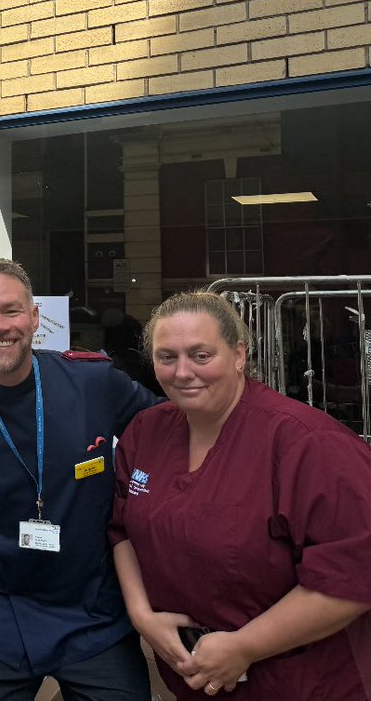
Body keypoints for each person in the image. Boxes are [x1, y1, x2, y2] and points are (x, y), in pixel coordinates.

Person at [0, 258, 159, 701]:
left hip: (92, 611)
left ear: (36, 317)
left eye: (12, 310)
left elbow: (169, 434)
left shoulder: (93, 382)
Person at [110, 291, 371, 700]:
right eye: (167, 357)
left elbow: (352, 575)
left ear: (238, 354)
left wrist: (245, 646)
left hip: (298, 680)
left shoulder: (308, 444)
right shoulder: (145, 433)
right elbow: (122, 528)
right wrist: (142, 615)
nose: (182, 372)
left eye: (201, 355)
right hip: (191, 676)